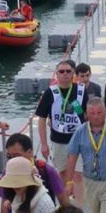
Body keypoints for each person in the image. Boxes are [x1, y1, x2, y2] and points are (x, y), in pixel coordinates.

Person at [0, 133, 69, 213]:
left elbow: (65, 203)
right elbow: (4, 207)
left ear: (29, 152)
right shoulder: (9, 172)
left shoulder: (47, 171)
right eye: (9, 157)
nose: (13, 161)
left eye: (17, 156)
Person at [35, 59, 87, 199]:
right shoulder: (50, 93)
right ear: (56, 74)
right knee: (63, 172)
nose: (65, 74)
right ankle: (67, 202)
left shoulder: (81, 91)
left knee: (77, 174)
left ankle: (79, 206)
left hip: (78, 139)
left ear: (73, 74)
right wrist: (44, 144)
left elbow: (86, 115)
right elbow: (41, 118)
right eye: (61, 71)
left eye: (68, 71)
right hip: (59, 140)